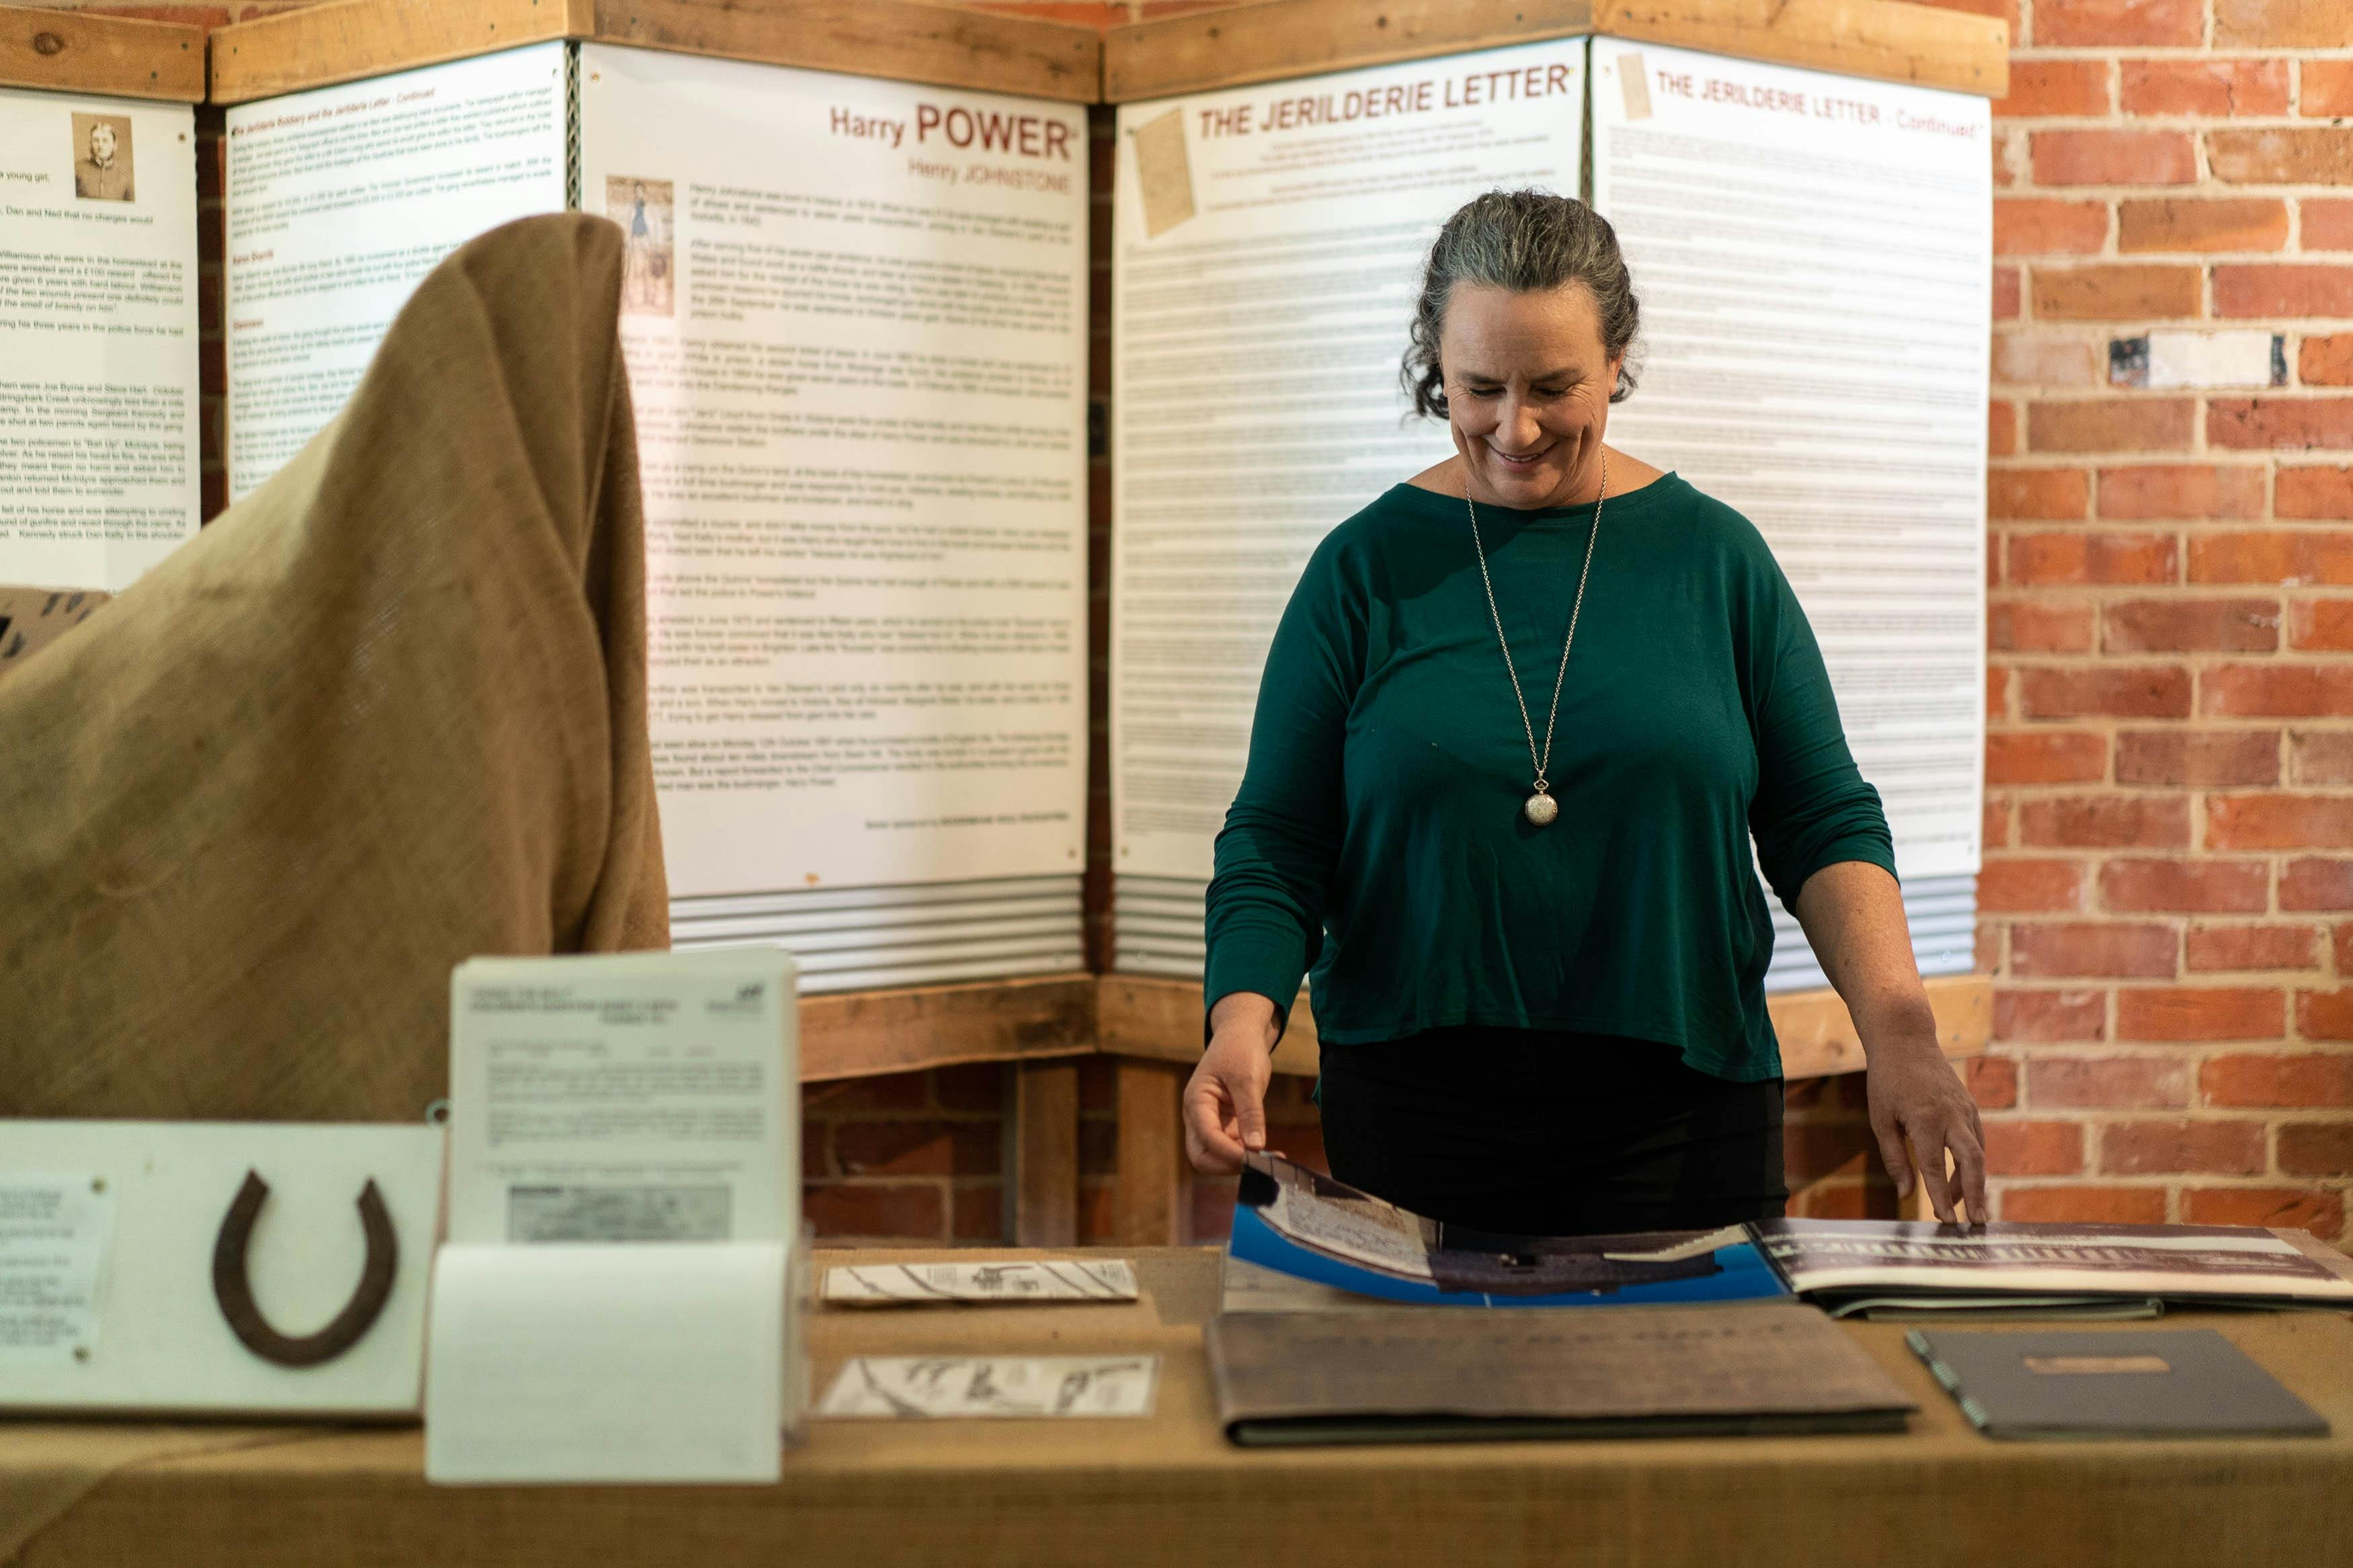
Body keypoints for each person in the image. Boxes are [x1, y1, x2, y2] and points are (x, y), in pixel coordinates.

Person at [1182, 189, 1986, 1235]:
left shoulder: (1715, 560)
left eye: (1555, 386)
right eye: (1479, 388)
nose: (1514, 428)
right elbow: (1279, 839)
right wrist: (1242, 1018)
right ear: (1438, 365)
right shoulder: (1362, 572)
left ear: (1617, 362)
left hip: (1686, 1119)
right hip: (1418, 1119)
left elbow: (1820, 817)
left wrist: (1903, 1032)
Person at [73, 118, 132, 202]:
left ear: (115, 145)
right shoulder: (78, 169)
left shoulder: (124, 178)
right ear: (91, 144)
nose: (100, 145)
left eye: (105, 140)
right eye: (96, 140)